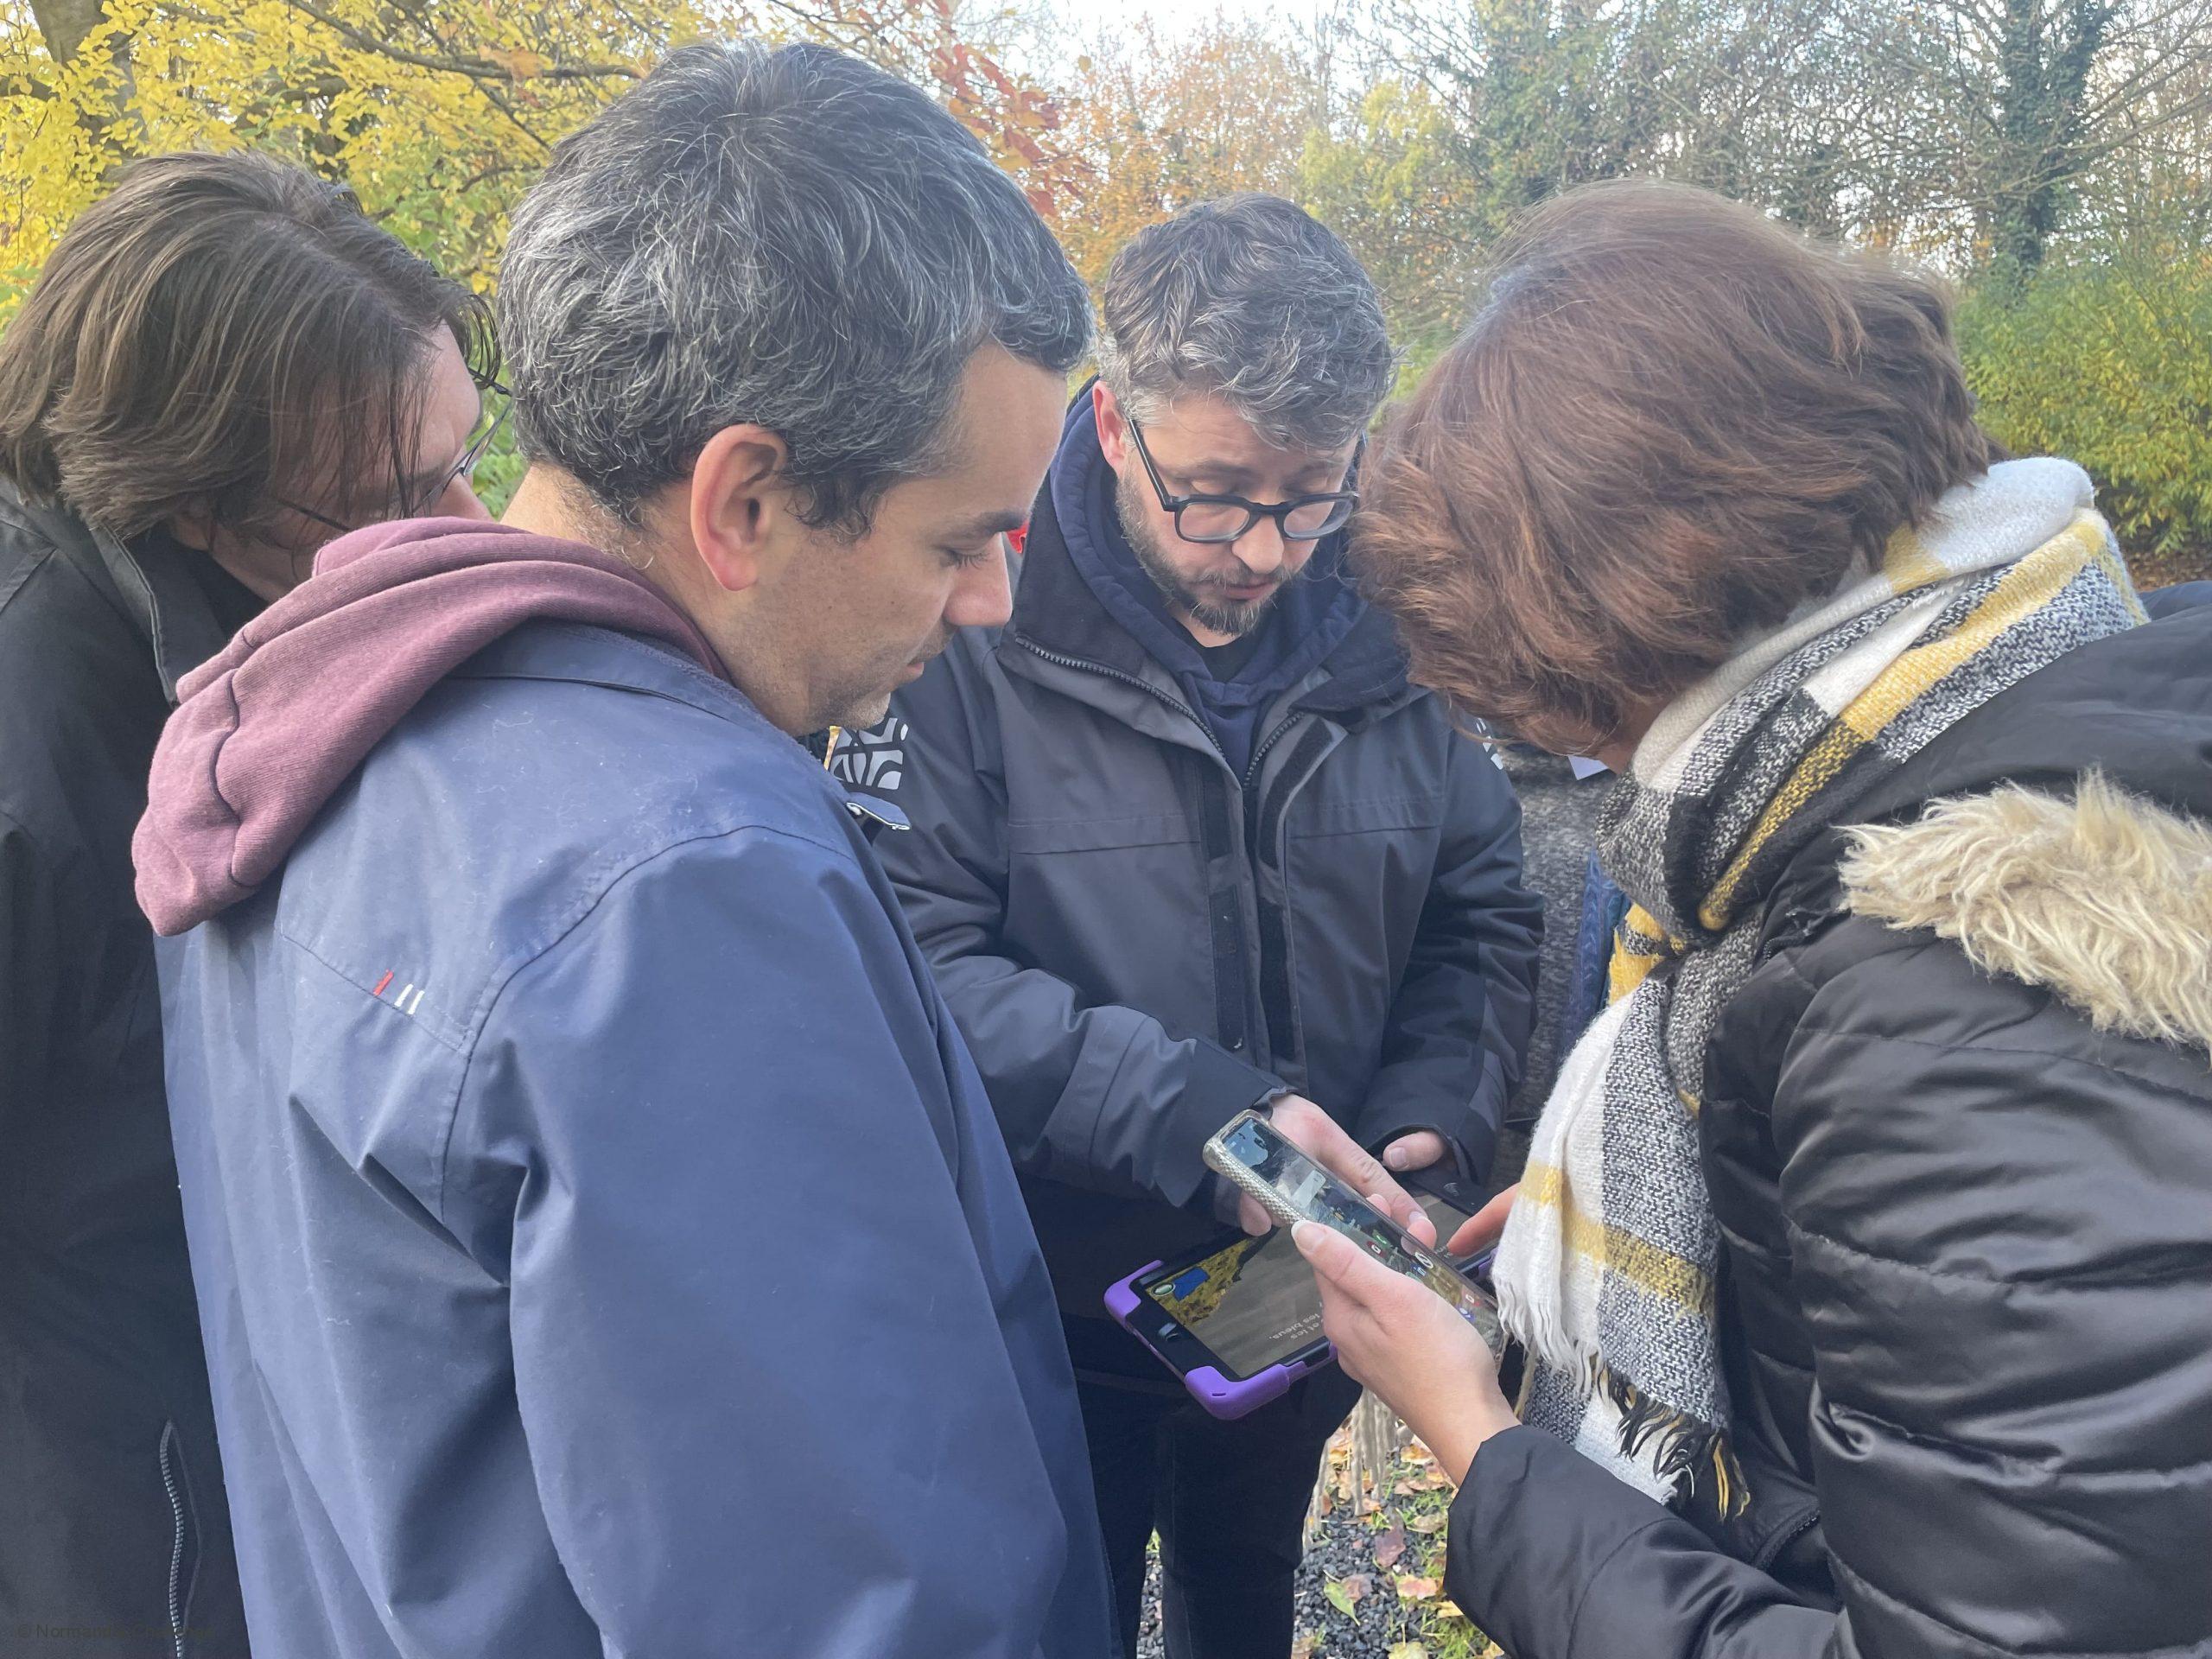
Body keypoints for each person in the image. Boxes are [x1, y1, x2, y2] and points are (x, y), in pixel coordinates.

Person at [134, 44, 1126, 1658]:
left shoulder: (313, 732)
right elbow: (856, 1611)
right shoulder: (680, 886)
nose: (993, 605)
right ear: (742, 500)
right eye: (959, 541)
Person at [1288, 179, 2212, 1658]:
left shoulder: (1961, 998)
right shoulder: (2060, 700)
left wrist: (1486, 1456)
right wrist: (1730, 1196)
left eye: (1555, 719)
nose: (1587, 771)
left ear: (1624, 627)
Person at [861, 194, 1541, 1659]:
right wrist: (1195, 1115)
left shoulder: (1401, 623)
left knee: (1248, 1586)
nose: (1268, 549)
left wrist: (1438, 1107)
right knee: (1072, 1609)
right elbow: (911, 968)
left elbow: (1480, 909)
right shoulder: (967, 623)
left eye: (1311, 497)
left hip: (1304, 1295)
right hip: (1056, 1296)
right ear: (1113, 426)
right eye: (1216, 494)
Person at [0, 150, 496, 1656]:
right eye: (401, 497)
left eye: (470, 451)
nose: (469, 524)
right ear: (192, 502)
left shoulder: (257, 621)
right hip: (123, 1483)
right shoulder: (38, 737)